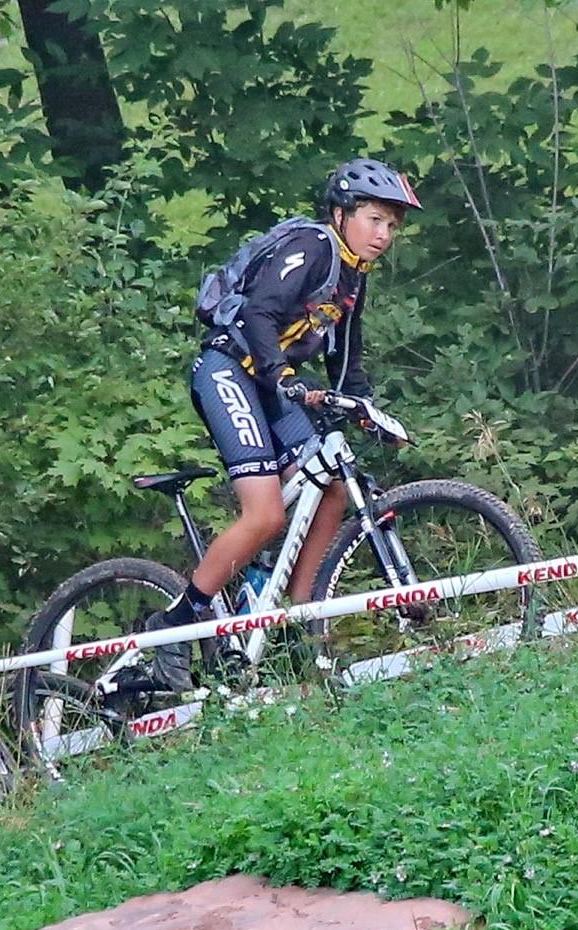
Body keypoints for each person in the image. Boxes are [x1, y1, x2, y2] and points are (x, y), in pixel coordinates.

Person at [147, 158, 423, 691]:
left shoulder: (353, 274)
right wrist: (283, 375)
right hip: (230, 369)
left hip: (273, 383)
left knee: (336, 486)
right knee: (266, 513)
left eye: (392, 225)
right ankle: (175, 626)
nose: (384, 234)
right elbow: (258, 315)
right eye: (374, 219)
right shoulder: (317, 247)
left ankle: (301, 620)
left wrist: (362, 406)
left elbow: (348, 356)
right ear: (342, 214)